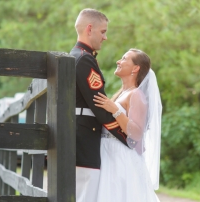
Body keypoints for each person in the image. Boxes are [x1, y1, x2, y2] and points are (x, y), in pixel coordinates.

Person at [69, 8, 130, 202]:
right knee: (86, 196)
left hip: (79, 136)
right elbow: (100, 106)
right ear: (89, 29)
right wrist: (127, 137)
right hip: (85, 140)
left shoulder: (77, 55)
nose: (105, 37)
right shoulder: (85, 59)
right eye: (103, 31)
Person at [93, 49, 162, 202]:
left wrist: (116, 111)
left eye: (124, 59)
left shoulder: (136, 94)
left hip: (120, 156)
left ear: (135, 68)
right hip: (107, 152)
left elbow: (137, 133)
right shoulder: (122, 93)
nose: (119, 61)